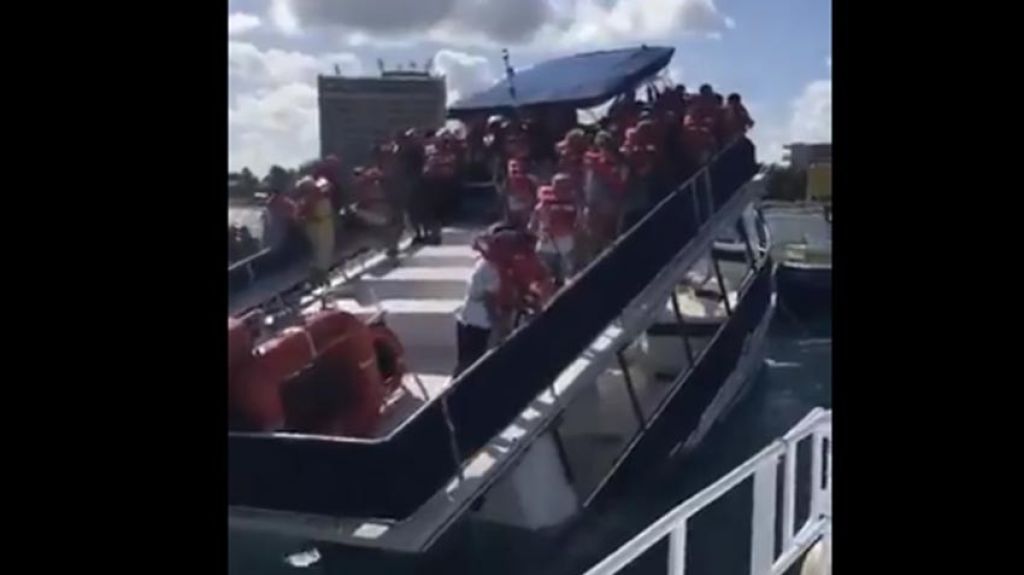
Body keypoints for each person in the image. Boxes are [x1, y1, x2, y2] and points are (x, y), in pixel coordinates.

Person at [583, 131, 628, 259]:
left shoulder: (621, 164)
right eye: (601, 146)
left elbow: (622, 185)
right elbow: (589, 185)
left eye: (607, 146)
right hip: (595, 205)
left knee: (611, 236)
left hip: (613, 206)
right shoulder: (593, 161)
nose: (604, 150)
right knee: (593, 237)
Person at [530, 172, 579, 286]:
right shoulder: (543, 204)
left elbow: (578, 226)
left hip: (566, 248)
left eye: (565, 186)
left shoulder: (574, 204)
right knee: (544, 280)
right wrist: (540, 234)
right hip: (546, 248)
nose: (562, 189)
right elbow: (532, 225)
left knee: (563, 280)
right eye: (558, 185)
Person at [504, 158, 537, 228]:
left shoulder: (531, 181)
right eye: (512, 166)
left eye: (517, 166)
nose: (514, 169)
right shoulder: (506, 183)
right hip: (511, 220)